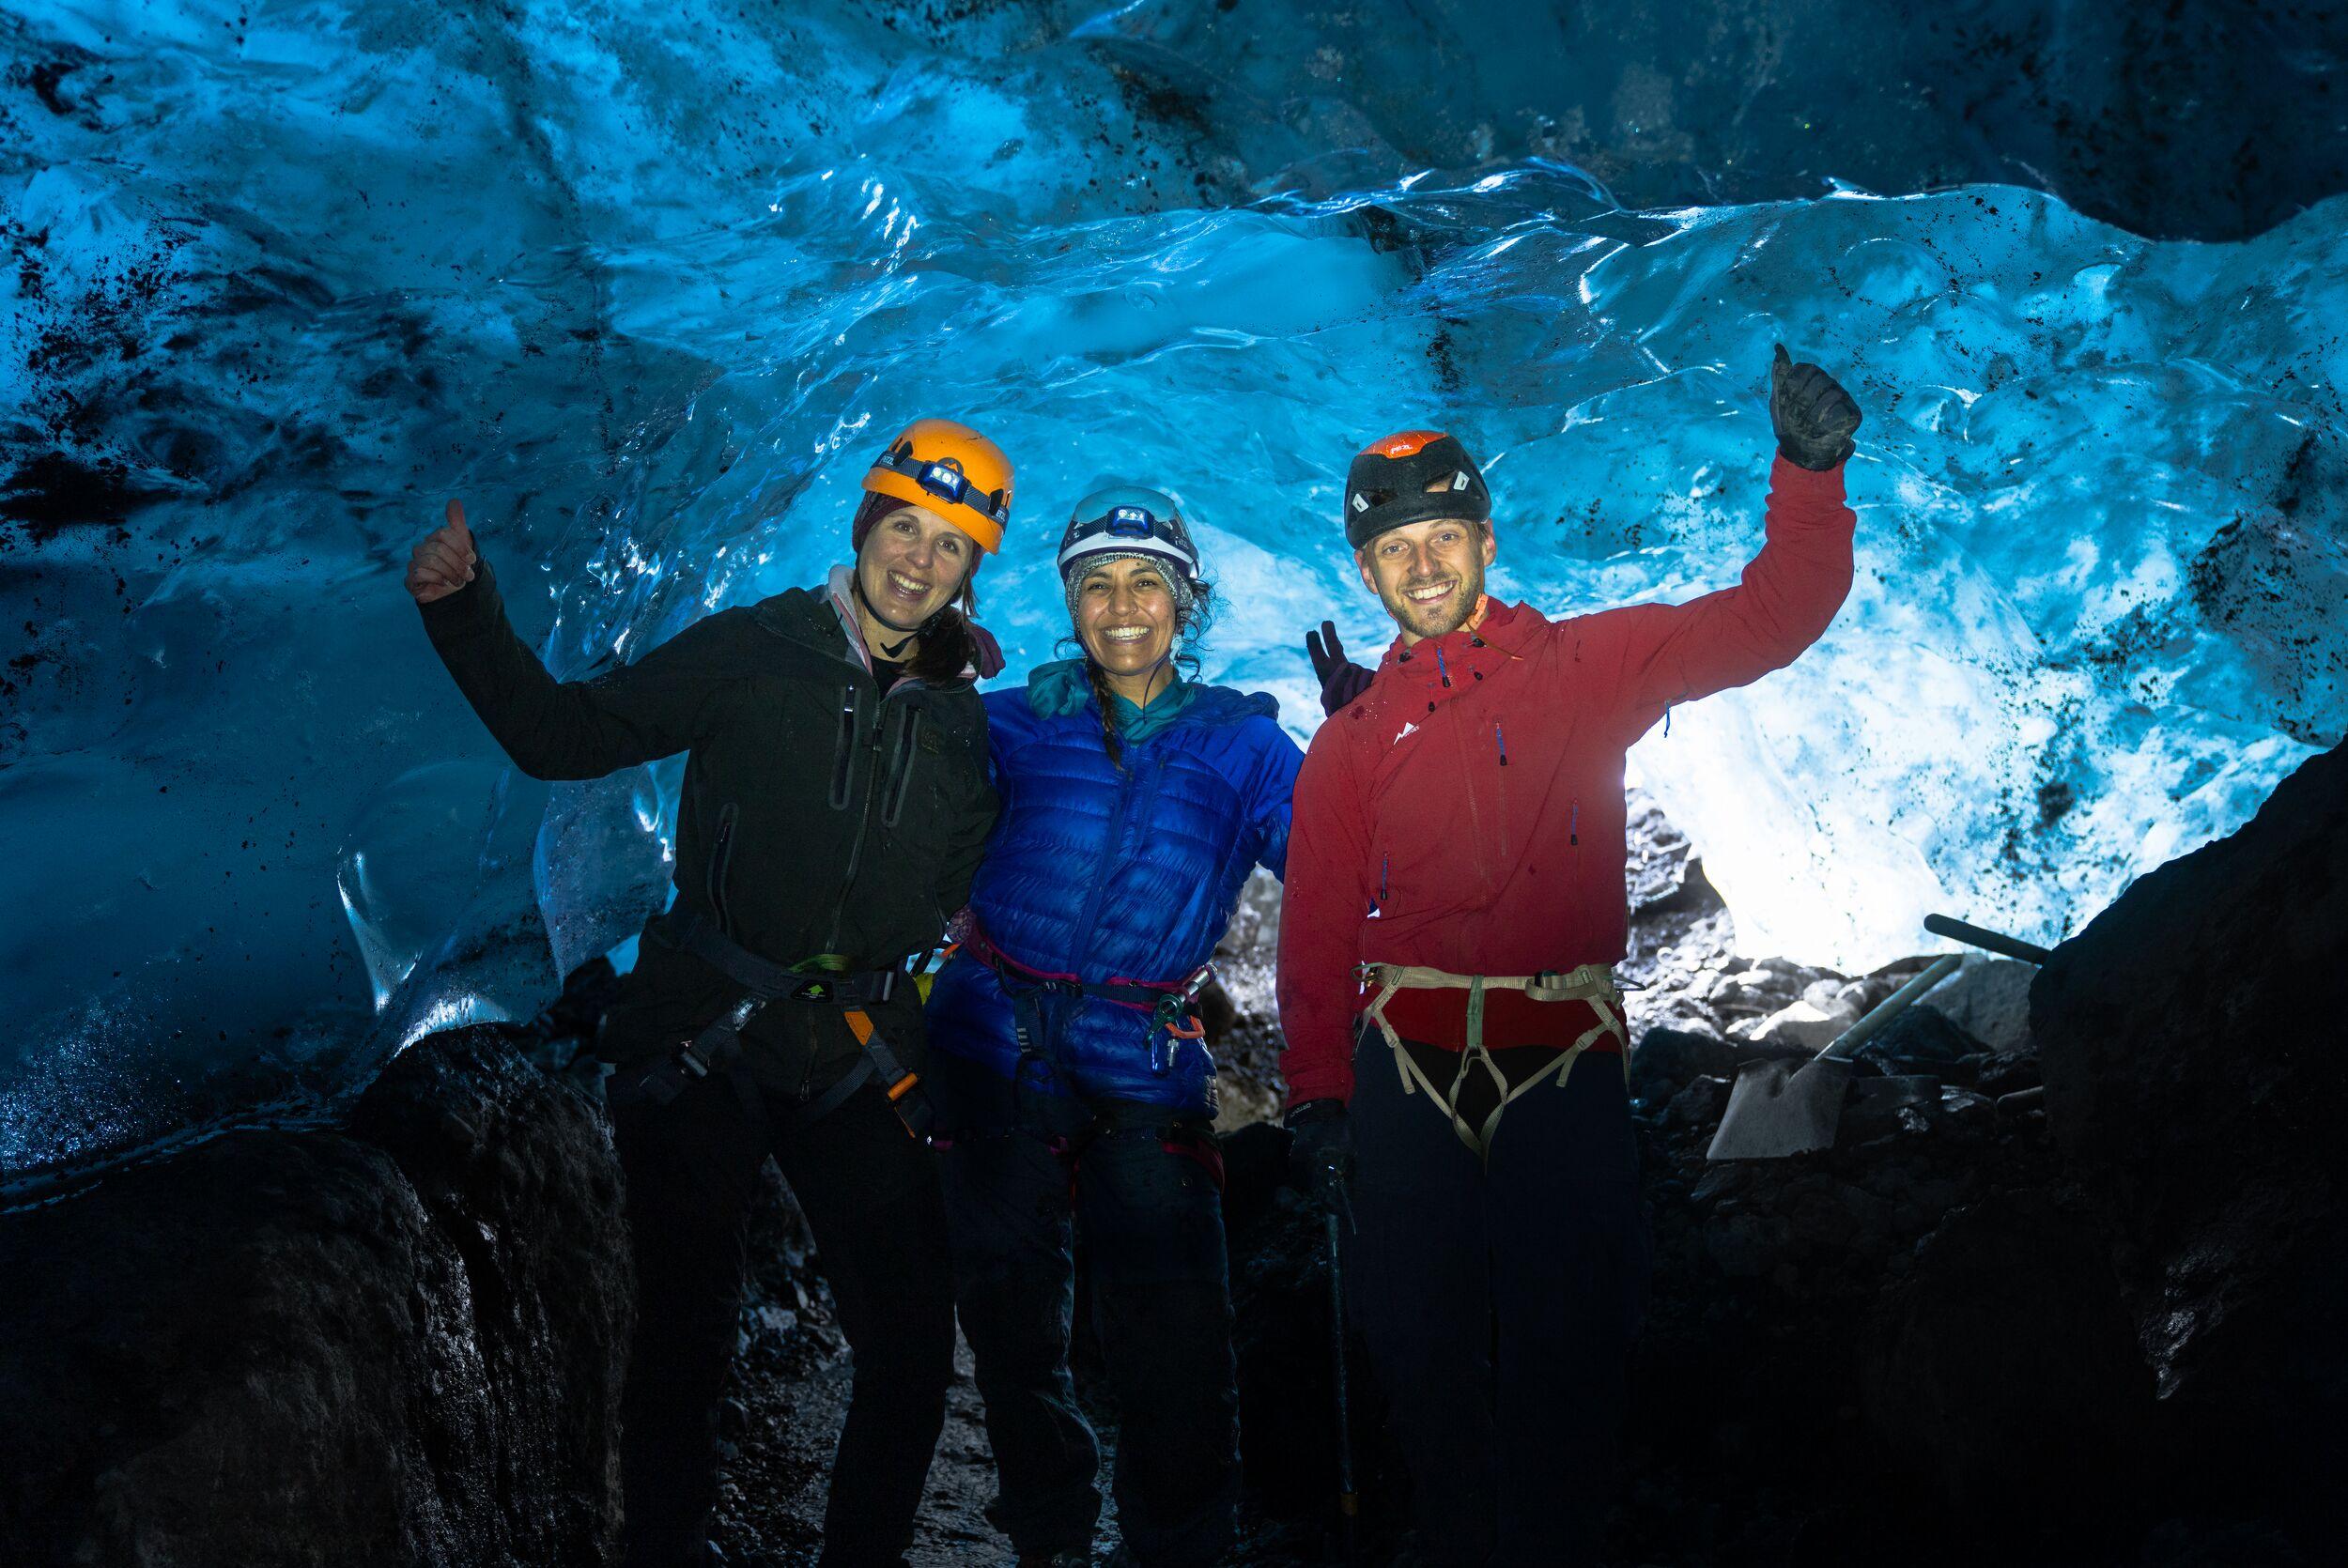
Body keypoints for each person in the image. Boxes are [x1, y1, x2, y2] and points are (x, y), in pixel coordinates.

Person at [1279, 346, 1862, 1566]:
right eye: (1395, 549)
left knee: (1572, 1356)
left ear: (1487, 541)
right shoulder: (1350, 738)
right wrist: (1320, 1092)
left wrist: (1809, 472)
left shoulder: (1589, 667)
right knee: (1421, 1358)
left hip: (1563, 1060)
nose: (1422, 564)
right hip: (1405, 1067)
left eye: (1442, 535)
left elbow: (1770, 616)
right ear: (1365, 571)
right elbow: (1320, 925)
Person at [405, 418, 1013, 1568]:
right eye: (904, 527)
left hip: (853, 1057)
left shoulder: (956, 715)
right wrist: (463, 611)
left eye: (950, 545)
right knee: (682, 1341)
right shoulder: (758, 645)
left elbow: (952, 871)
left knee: (914, 1346)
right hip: (707, 1038)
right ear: (865, 526)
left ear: (971, 571)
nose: (918, 560)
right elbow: (564, 733)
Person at [922, 486, 1304, 1568]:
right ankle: (1049, 1531)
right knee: (1007, 1323)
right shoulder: (1014, 720)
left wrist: (1377, 738)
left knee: (1175, 1344)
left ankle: (1172, 1549)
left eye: (1145, 582)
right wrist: (930, 680)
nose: (1121, 604)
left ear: (1186, 601)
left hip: (1142, 1065)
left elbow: (1340, 872)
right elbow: (894, 791)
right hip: (991, 1046)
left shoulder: (1242, 746)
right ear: (1069, 601)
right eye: (1096, 582)